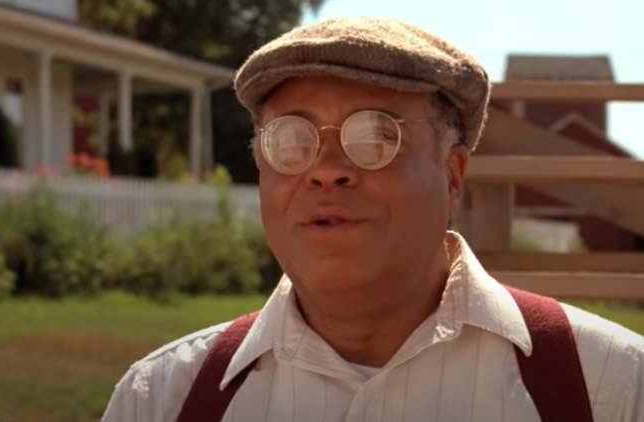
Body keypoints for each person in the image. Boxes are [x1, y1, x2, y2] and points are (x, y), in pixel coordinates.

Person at [101, 16, 644, 422]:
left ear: (453, 175)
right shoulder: (162, 399)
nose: (327, 171)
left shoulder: (608, 387)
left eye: (377, 136)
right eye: (292, 139)